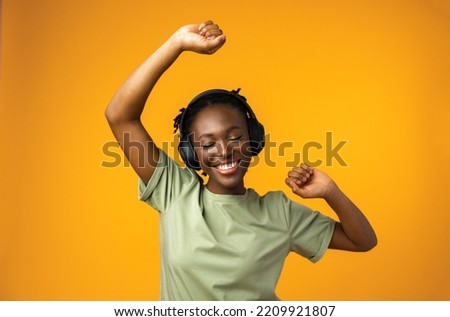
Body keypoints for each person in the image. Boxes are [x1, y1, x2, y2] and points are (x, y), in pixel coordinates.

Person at [105, 20, 377, 300]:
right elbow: (120, 116)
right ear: (191, 153)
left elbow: (363, 240)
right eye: (208, 143)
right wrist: (177, 43)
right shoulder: (175, 192)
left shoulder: (278, 212)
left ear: (253, 139)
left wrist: (331, 192)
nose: (224, 150)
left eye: (234, 137)